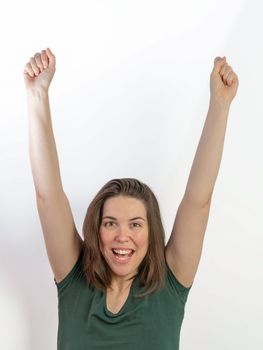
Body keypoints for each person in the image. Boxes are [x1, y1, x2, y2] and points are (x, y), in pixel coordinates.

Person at [23, 48, 239, 350]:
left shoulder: (169, 285)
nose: (122, 236)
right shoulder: (75, 281)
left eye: (135, 224)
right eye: (111, 223)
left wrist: (220, 105)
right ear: (96, 230)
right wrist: (37, 95)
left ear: (151, 233)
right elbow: (47, 195)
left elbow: (197, 200)